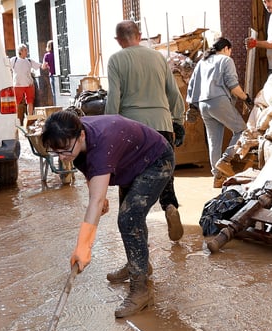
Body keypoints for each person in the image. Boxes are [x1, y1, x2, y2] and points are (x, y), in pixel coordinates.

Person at [41, 110, 173, 318]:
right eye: (56, 153)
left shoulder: (100, 144)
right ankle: (138, 264)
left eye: (65, 150)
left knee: (129, 219)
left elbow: (95, 200)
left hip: (155, 161)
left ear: (81, 135)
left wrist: (83, 247)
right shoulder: (73, 135)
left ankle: (141, 290)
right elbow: (88, 167)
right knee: (131, 218)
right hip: (131, 161)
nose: (62, 157)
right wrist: (97, 192)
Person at [105, 20, 186, 244]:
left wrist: (109, 128)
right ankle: (170, 206)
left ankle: (138, 254)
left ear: (118, 40)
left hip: (133, 130)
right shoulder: (159, 57)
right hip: (162, 125)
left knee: (130, 189)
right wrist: (177, 121)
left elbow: (113, 98)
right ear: (139, 36)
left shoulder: (116, 60)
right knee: (164, 178)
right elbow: (174, 93)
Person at [186, 37, 250, 187]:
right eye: (230, 51)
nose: (230, 54)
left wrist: (193, 105)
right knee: (242, 131)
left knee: (214, 141)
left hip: (203, 104)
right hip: (219, 101)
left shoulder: (202, 62)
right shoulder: (226, 60)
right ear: (226, 48)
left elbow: (192, 85)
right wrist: (245, 97)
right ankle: (225, 160)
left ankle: (218, 177)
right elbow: (233, 84)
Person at [10, 44, 41, 125]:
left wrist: (44, 65)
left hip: (29, 85)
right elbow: (6, 66)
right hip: (17, 85)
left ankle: (29, 119)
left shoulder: (29, 61)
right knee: (16, 103)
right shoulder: (14, 60)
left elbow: (39, 66)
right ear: (20, 51)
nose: (27, 52)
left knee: (30, 102)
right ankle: (16, 120)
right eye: (25, 50)